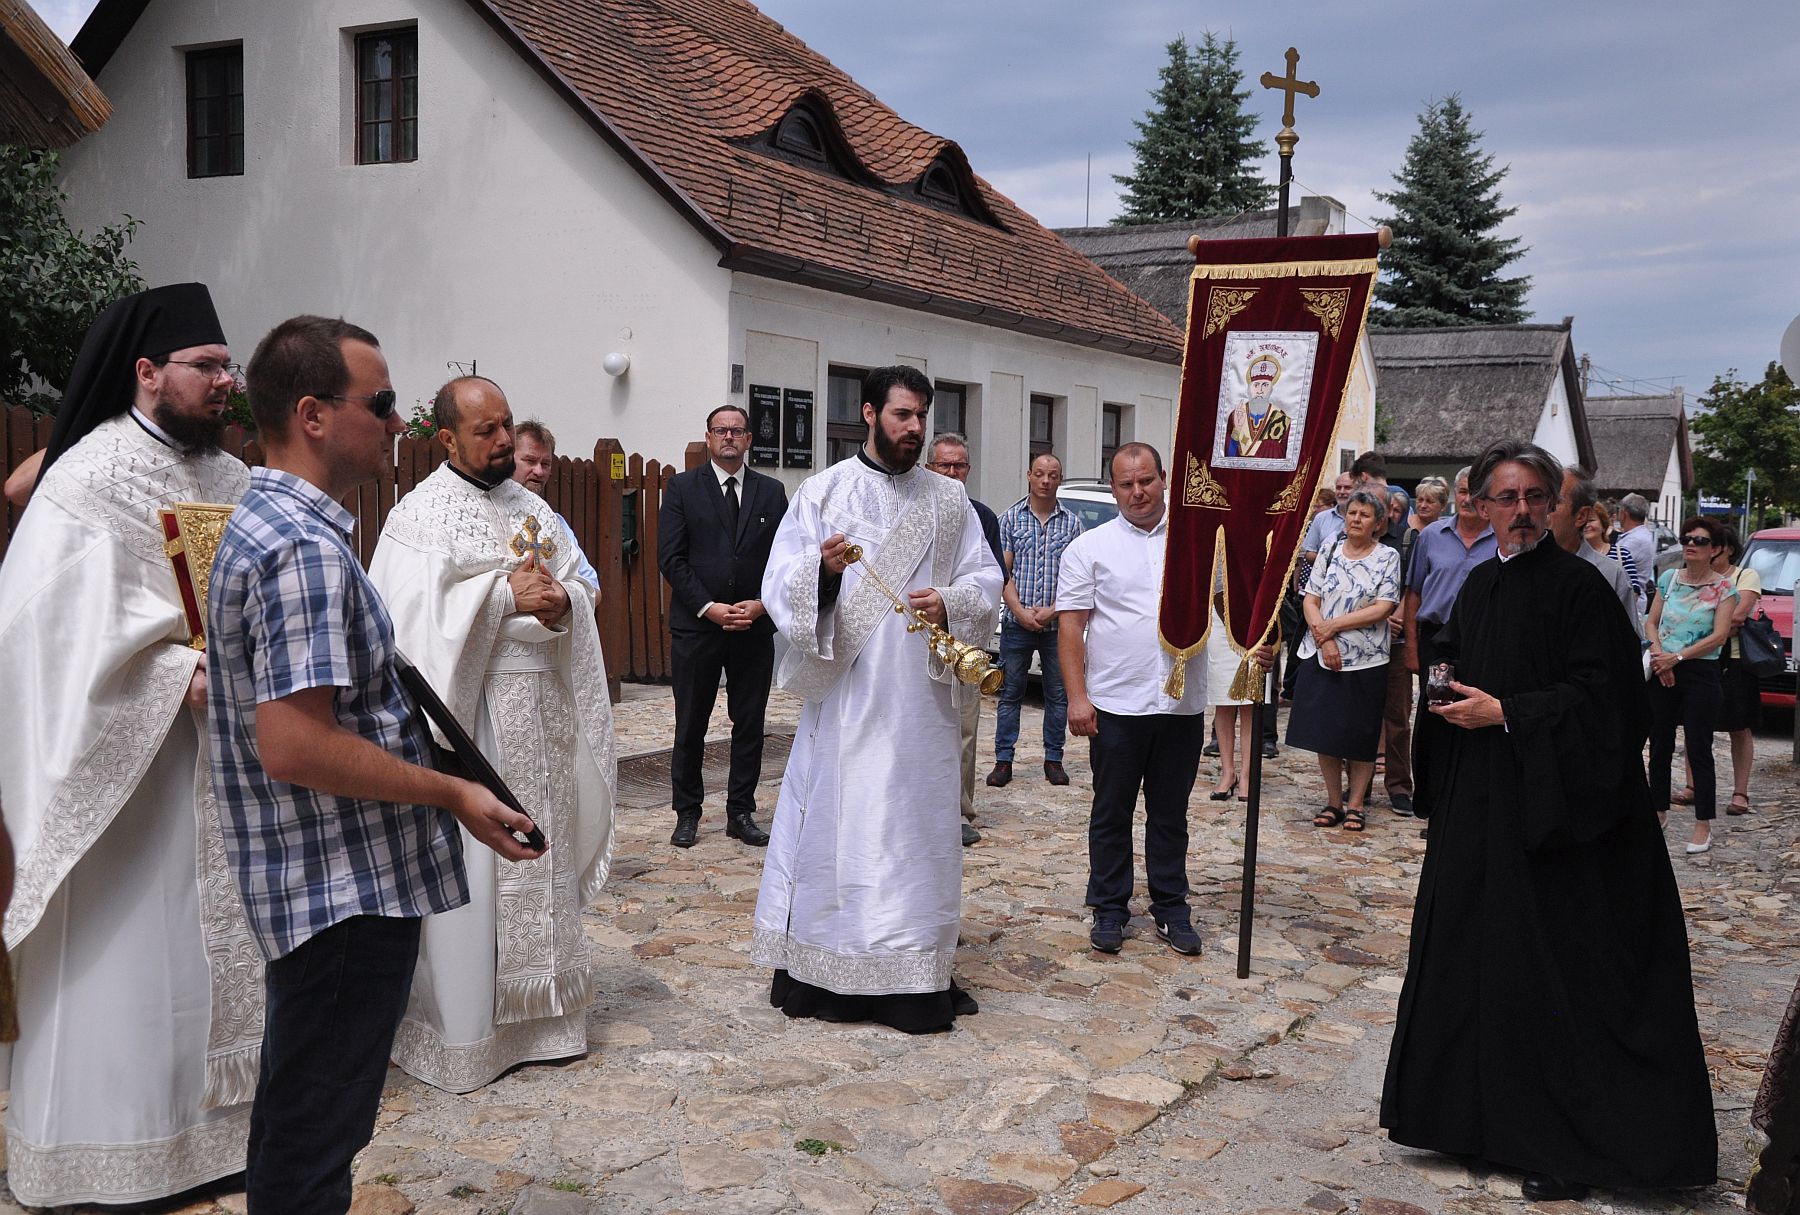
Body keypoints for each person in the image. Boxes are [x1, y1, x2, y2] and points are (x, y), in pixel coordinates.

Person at [209, 316, 544, 1208]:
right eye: (384, 402)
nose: (400, 423)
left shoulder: (269, 518)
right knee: (318, 1138)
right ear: (314, 414)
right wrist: (451, 790)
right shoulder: (304, 549)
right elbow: (295, 742)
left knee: (300, 1124)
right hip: (344, 892)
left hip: (323, 886)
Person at [1381, 439, 1716, 1203]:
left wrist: (1508, 713)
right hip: (1483, 808)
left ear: (1558, 504)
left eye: (1537, 497)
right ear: (1481, 503)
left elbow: (1610, 705)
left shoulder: (1581, 589)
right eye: (1508, 497)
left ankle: (1570, 1143)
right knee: (1479, 957)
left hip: (1564, 820)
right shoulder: (1478, 585)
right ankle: (1476, 1119)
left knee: (1559, 973)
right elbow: (1452, 656)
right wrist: (1442, 690)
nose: (1523, 511)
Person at [0, 283, 260, 1206]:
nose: (226, 381)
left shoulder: (233, 481)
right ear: (147, 373)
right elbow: (44, 624)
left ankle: (217, 1133)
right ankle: (103, 1150)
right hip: (124, 769)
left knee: (205, 944)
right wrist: (164, 674)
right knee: (121, 948)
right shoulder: (87, 475)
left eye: (229, 366)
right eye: (207, 366)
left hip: (220, 757)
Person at [369, 374, 617, 1092]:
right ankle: (467, 1031)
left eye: (508, 424)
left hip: (539, 715)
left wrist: (564, 598)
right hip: (470, 722)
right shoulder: (419, 518)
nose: (505, 440)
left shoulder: (533, 507)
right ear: (447, 438)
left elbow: (583, 582)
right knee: (477, 879)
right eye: (487, 430)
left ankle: (545, 1022)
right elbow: (407, 632)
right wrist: (503, 593)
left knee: (542, 861)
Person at [751, 366, 1000, 1033]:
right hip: (849, 700)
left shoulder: (950, 503)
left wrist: (949, 601)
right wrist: (824, 576)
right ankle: (828, 964)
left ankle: (918, 970)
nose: (913, 427)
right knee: (845, 825)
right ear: (869, 413)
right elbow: (781, 584)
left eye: (921, 415)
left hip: (922, 704)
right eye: (901, 415)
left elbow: (986, 581)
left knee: (915, 835)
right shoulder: (824, 492)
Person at [1059, 443, 1208, 957]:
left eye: (1146, 480)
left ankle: (1171, 906)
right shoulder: (1090, 547)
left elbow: (1231, 602)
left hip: (1180, 704)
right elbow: (1072, 626)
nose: (1137, 492)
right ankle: (1109, 907)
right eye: (1126, 484)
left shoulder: (1198, 544)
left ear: (1164, 479)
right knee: (1111, 810)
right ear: (1113, 487)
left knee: (1170, 813)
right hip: (1117, 704)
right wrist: (1077, 698)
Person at [657, 404, 788, 849]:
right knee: (691, 723)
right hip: (699, 627)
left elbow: (784, 560)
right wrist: (709, 607)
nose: (729, 437)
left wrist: (762, 605)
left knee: (749, 723)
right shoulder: (681, 488)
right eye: (721, 430)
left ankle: (741, 812)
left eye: (737, 431)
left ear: (749, 439)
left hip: (753, 626)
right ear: (709, 438)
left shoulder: (772, 492)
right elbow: (671, 558)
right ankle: (687, 812)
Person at [1287, 490, 1400, 832]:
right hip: (1324, 653)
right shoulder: (1330, 548)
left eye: (1364, 515)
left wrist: (1332, 627)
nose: (1355, 519)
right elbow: (1311, 598)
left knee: (1360, 733)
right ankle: (1334, 801)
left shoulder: (1387, 556)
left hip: (1367, 658)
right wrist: (1325, 638)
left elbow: (1383, 606)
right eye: (1352, 512)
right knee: (1327, 733)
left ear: (1378, 523)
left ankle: (1356, 805)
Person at [1400, 465, 1495, 822]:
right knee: (1434, 719)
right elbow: (1414, 594)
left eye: (1476, 492)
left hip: (1482, 638)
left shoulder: (1498, 538)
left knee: (1474, 717)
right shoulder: (1433, 536)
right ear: (1455, 495)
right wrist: (1412, 648)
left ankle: (1467, 803)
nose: (1468, 499)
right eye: (1463, 491)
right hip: (1436, 640)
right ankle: (1432, 801)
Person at [924, 433, 1003, 846]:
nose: (952, 473)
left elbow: (990, 578)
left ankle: (959, 809)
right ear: (929, 467)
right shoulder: (917, 510)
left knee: (964, 727)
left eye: (960, 466)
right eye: (944, 466)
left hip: (963, 640)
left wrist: (954, 605)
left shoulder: (982, 516)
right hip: (914, 634)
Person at [990, 452, 1081, 791]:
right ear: (1029, 475)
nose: (1046, 480)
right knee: (1010, 692)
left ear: (1059, 479)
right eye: (1040, 473)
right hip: (1017, 622)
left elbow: (1077, 578)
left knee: (1057, 694)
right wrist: (1019, 611)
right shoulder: (1011, 519)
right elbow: (1003, 571)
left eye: (1053, 475)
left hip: (1057, 625)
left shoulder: (1071, 524)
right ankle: (1003, 759)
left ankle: (1054, 759)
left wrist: (1053, 610)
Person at [1645, 515, 1735, 856]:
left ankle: (1703, 823)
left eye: (1699, 540)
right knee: (1660, 745)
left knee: (1698, 748)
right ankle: (1658, 810)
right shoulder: (1669, 578)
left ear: (1714, 549)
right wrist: (1660, 657)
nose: (1691, 545)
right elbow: (1651, 621)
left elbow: (1719, 635)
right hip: (1663, 666)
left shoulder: (1724, 587)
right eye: (1687, 539)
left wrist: (1677, 658)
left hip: (1700, 672)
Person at [512, 419, 601, 595]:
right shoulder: (487, 515)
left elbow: (593, 588)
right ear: (507, 459)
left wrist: (562, 599)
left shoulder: (555, 523)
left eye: (545, 464)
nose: (539, 471)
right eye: (529, 461)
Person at [1547, 464, 1639, 634]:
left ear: (1581, 516)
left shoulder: (1610, 575)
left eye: (1555, 502)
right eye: (1538, 497)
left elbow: (1629, 645)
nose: (1541, 509)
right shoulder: (1517, 566)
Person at [1710, 526, 1761, 816]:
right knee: (1696, 723)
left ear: (1728, 548)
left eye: (1713, 543)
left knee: (1739, 727)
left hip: (1736, 660)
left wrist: (1702, 626)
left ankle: (1740, 792)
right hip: (1704, 658)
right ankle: (1693, 786)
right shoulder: (1693, 576)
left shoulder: (1745, 576)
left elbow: (1738, 615)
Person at [1224, 352, 1291, 460]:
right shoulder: (1237, 414)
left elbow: (1283, 456)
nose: (1260, 391)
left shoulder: (1280, 417)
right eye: (1256, 385)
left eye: (1265, 385)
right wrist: (1237, 429)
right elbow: (1228, 456)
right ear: (1249, 389)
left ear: (1271, 389)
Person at [1615, 493, 1657, 613]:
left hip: (1630, 603)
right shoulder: (1640, 535)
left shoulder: (1635, 540)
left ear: (1624, 513)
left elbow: (1614, 565)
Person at [1300, 471, 1354, 561]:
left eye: (1347, 488)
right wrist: (1330, 560)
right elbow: (1309, 552)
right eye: (1338, 488)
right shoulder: (1321, 518)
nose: (1342, 492)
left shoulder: (1365, 517)